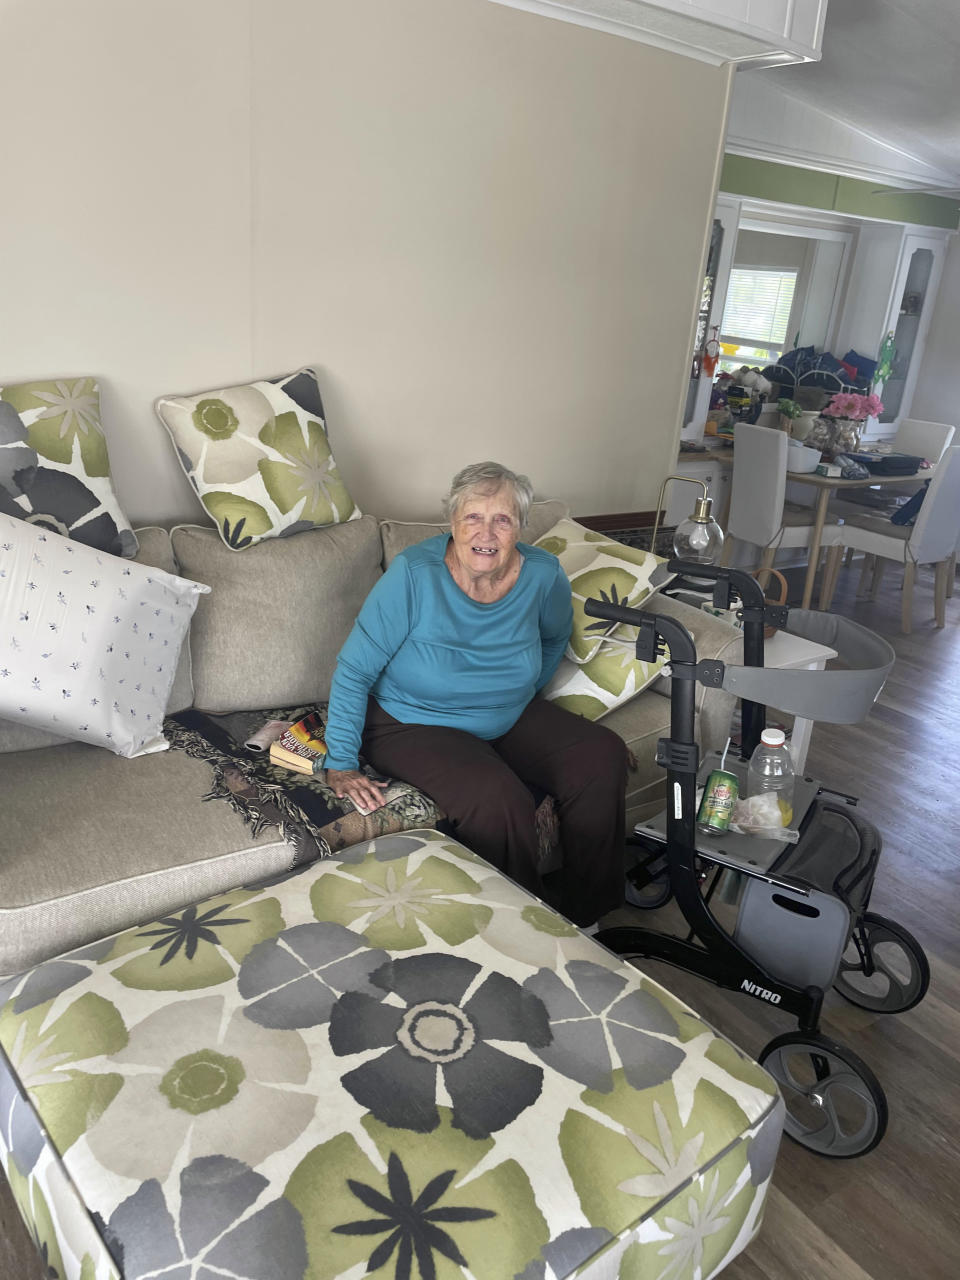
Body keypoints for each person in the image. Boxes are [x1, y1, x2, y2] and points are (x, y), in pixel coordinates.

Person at [323, 461, 628, 928]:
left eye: (502, 519)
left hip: (507, 714)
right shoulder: (414, 575)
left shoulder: (542, 575)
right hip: (411, 721)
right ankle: (525, 927)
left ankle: (586, 917)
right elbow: (354, 669)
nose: (487, 532)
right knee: (497, 797)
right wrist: (340, 763)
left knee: (600, 754)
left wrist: (518, 689)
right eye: (473, 517)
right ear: (452, 522)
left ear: (520, 527)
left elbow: (552, 639)